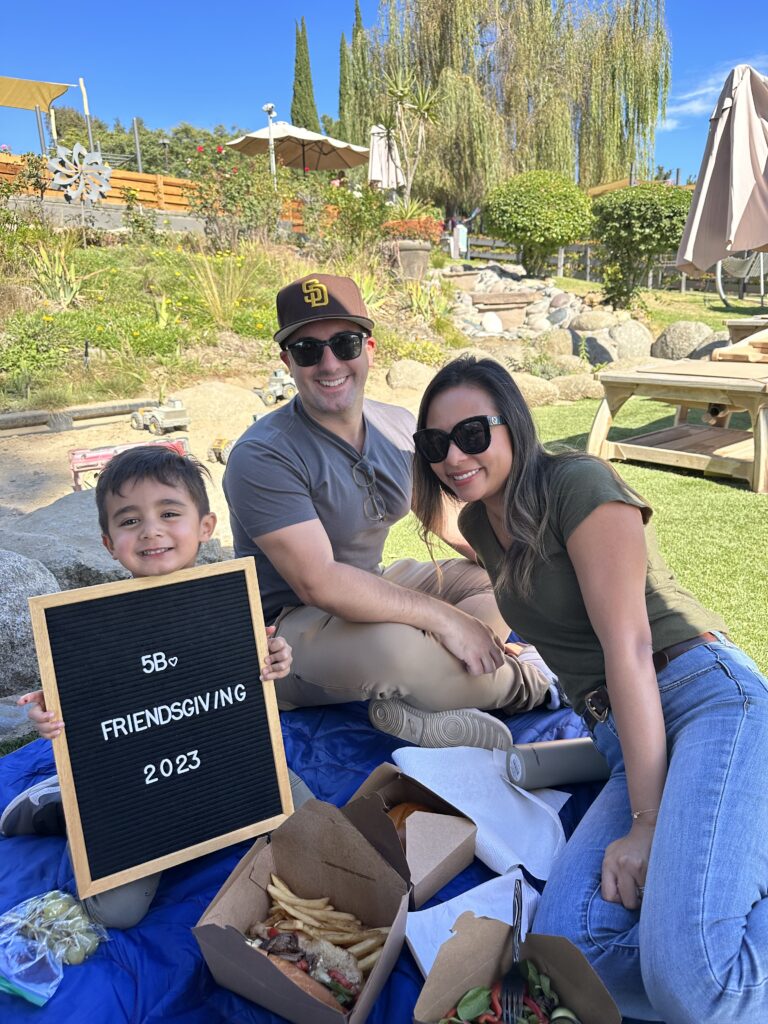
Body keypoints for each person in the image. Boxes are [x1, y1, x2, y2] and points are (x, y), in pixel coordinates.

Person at [411, 355, 768, 1023]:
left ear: (513, 424)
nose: (454, 456)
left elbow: (628, 648)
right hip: (620, 735)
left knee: (700, 984)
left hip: (699, 694)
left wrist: (648, 823)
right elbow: (534, 586)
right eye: (436, 444)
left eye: (473, 434)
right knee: (573, 951)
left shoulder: (577, 484)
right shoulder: (480, 524)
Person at [223, 273, 555, 752]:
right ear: (286, 362)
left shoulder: (396, 426)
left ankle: (428, 698)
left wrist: (514, 568)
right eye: (308, 350)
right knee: (397, 650)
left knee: (493, 579)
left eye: (345, 343)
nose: (329, 363)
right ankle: (531, 683)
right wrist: (447, 621)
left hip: (374, 581)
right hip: (289, 628)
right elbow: (318, 582)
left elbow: (441, 518)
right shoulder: (263, 455)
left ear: (369, 348)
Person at [1, 446, 312, 928]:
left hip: (223, 757)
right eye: (129, 521)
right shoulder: (91, 625)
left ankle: (80, 798)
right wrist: (49, 713)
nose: (151, 530)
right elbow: (76, 702)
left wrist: (275, 659)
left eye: (170, 513)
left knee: (310, 823)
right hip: (134, 779)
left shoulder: (229, 603)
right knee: (115, 913)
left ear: (205, 527)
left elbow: (257, 675)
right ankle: (65, 801)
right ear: (109, 543)